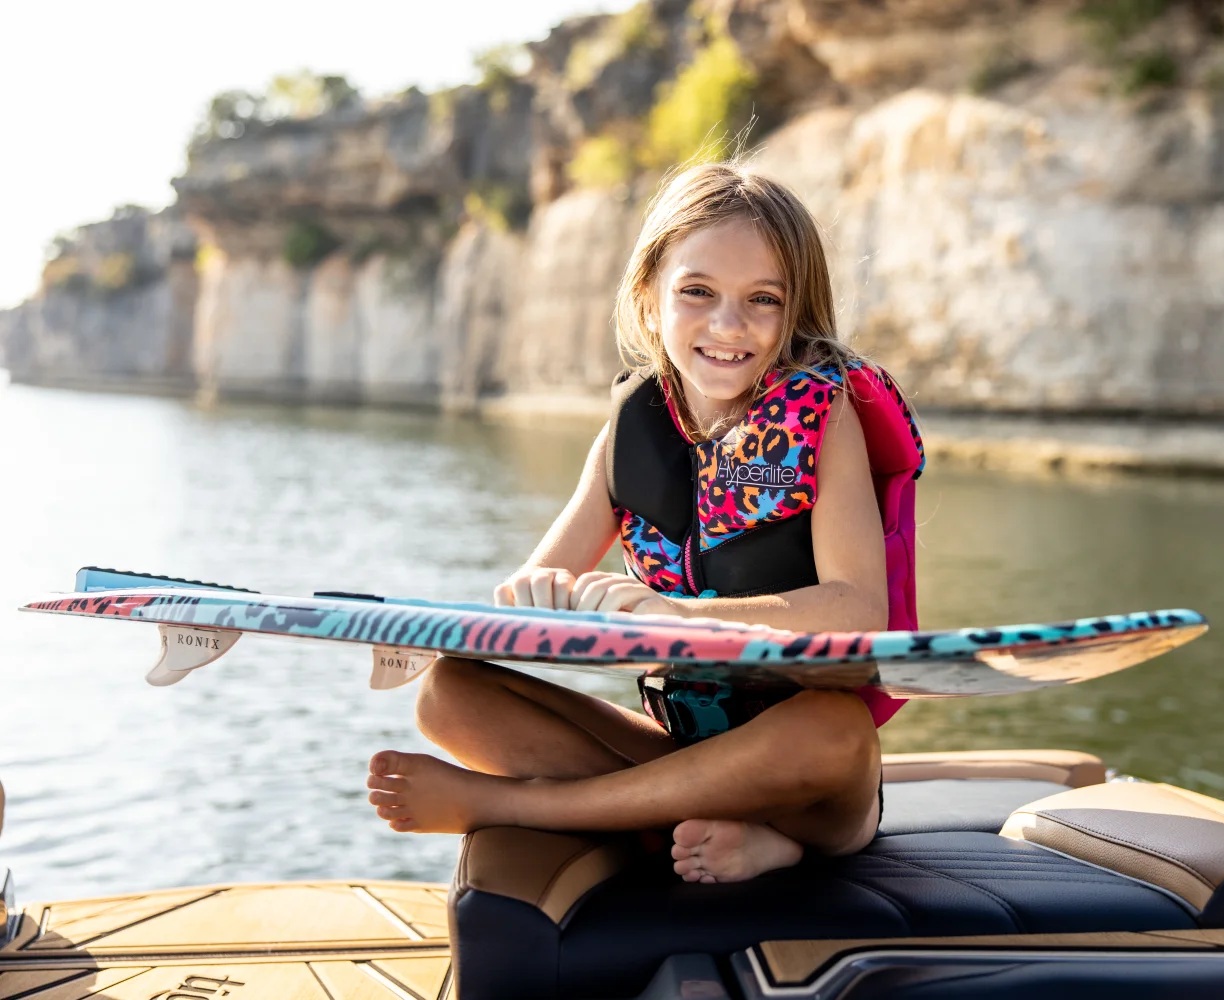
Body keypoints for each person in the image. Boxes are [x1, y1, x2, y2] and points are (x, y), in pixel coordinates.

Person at [366, 162, 924, 884]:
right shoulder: (630, 431)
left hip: (810, 776)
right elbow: (534, 586)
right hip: (680, 751)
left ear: (796, 313)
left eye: (763, 299)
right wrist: (535, 599)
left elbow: (858, 609)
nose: (728, 324)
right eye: (697, 292)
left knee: (833, 730)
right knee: (450, 693)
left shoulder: (825, 420)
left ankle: (518, 805)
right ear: (649, 299)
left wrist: (680, 615)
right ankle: (720, 827)